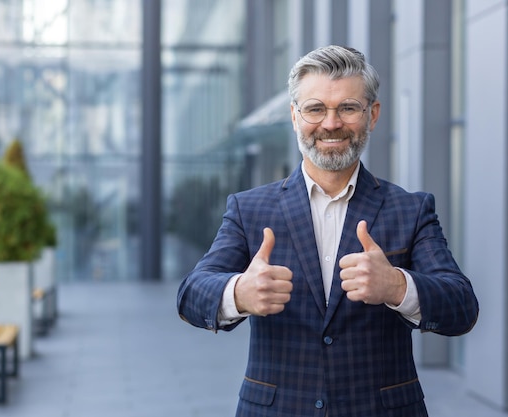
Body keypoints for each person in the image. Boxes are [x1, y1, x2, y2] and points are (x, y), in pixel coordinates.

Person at [177, 45, 479, 417]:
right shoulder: (249, 208)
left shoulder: (411, 209)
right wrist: (238, 292)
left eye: (349, 108)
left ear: (373, 115)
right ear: (294, 116)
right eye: (316, 108)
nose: (331, 123)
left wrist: (397, 286)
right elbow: (190, 295)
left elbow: (462, 307)